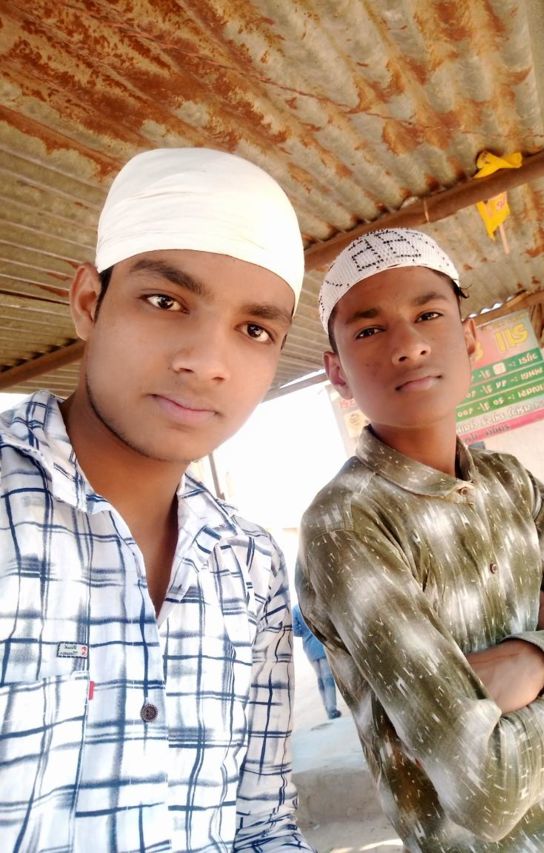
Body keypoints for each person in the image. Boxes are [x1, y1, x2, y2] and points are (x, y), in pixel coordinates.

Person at [0, 148, 314, 851]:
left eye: (255, 329)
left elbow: (262, 821)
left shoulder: (251, 564)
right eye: (166, 301)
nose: (206, 361)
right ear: (89, 303)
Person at [296, 227, 544, 851]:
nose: (408, 346)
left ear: (471, 336)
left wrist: (535, 660)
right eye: (369, 330)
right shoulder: (347, 522)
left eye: (429, 314)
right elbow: (487, 787)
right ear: (336, 372)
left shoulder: (511, 483)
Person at [292, 603, 342, 719]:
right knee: (328, 677)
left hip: (309, 647)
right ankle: (332, 708)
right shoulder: (312, 603)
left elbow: (294, 630)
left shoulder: (295, 609)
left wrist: (305, 633)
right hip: (320, 643)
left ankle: (327, 706)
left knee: (320, 677)